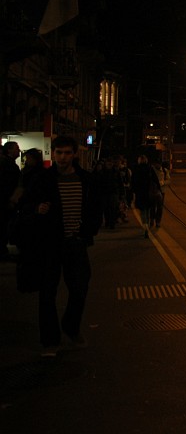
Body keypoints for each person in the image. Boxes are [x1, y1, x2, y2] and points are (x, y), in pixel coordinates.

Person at [18, 135, 103, 356]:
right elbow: (25, 204)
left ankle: (71, 326)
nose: (63, 157)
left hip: (76, 243)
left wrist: (88, 231)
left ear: (74, 154)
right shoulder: (43, 179)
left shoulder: (85, 179)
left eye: (67, 153)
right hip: (49, 244)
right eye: (59, 153)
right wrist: (37, 209)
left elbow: (94, 207)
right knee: (47, 293)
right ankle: (50, 341)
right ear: (53, 153)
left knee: (80, 289)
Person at [130, 154, 162, 238]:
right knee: (148, 210)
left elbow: (133, 182)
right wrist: (159, 190)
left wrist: (133, 193)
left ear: (139, 160)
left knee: (142, 211)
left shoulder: (136, 169)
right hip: (149, 193)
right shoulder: (150, 168)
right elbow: (156, 180)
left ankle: (145, 227)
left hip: (140, 193)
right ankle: (147, 224)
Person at [1, 140, 22, 259]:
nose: (19, 150)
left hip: (6, 201)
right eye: (16, 148)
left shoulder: (8, 164)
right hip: (6, 202)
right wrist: (10, 200)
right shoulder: (9, 165)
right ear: (9, 150)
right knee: (5, 225)